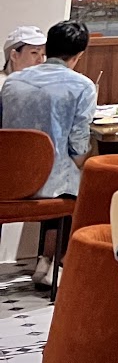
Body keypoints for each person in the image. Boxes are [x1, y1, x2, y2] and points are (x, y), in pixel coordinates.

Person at [1, 20, 95, 286]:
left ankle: (46, 262)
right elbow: (78, 142)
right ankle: (51, 263)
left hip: (8, 181)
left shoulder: (12, 82)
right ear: (78, 55)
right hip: (51, 185)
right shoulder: (83, 86)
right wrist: (80, 161)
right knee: (79, 179)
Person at [1, 26, 45, 92]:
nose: (40, 61)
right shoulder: (3, 87)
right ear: (14, 55)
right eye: (34, 53)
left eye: (43, 55)